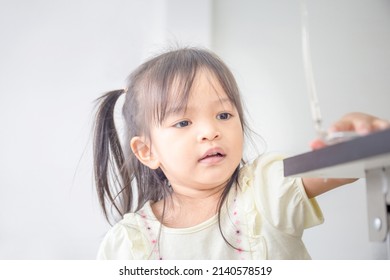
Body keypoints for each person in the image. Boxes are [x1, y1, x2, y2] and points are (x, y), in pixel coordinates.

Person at [93, 47, 389, 260]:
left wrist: (356, 140)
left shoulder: (265, 190)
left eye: (223, 115)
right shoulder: (129, 245)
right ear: (147, 151)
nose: (210, 131)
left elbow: (341, 168)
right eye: (183, 122)